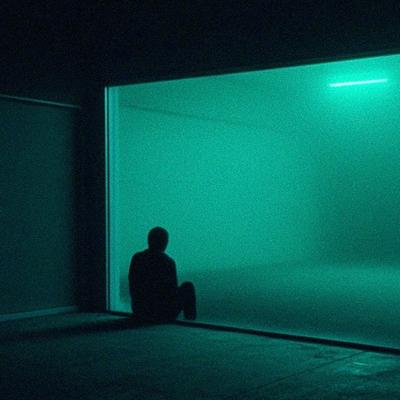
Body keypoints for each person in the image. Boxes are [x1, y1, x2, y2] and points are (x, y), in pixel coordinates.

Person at [129, 227, 196, 323]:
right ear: (164, 242)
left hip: (140, 311)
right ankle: (190, 322)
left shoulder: (137, 258)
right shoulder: (167, 262)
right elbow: (172, 292)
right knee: (188, 286)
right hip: (161, 314)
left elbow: (133, 286)